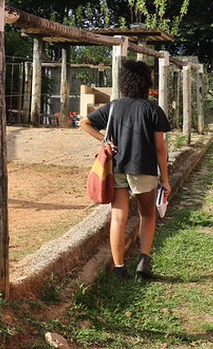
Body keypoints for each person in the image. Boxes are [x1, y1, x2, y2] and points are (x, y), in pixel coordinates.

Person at [80, 60, 171, 280]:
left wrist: (105, 141)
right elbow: (160, 149)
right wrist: (165, 180)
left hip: (117, 168)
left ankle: (119, 268)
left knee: (118, 217)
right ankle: (143, 260)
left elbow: (84, 122)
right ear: (146, 83)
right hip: (144, 169)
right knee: (147, 214)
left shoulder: (114, 106)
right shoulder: (153, 110)